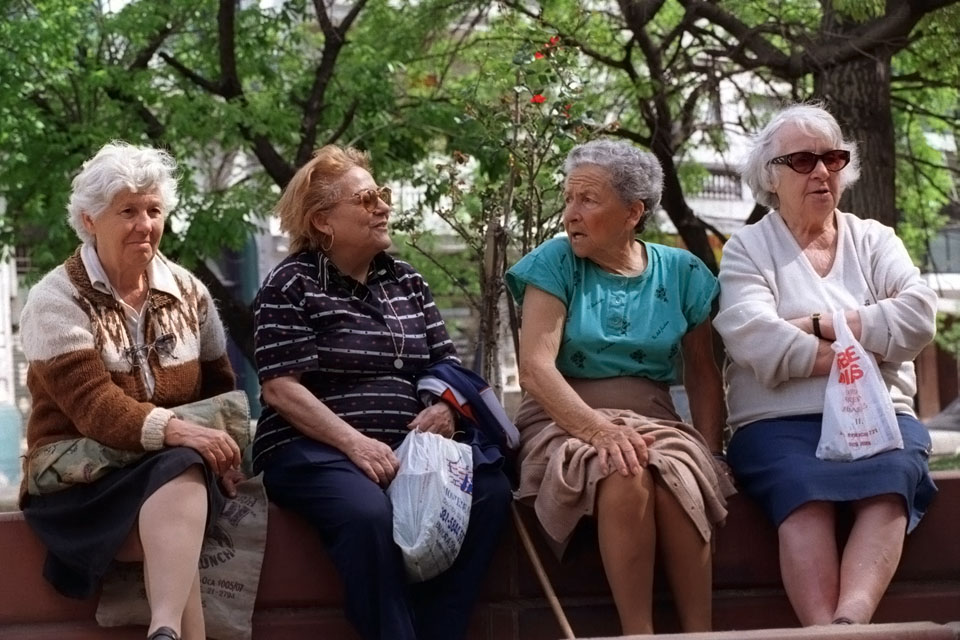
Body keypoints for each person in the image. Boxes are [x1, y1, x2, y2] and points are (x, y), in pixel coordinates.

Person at [251, 144, 512, 640]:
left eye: (382, 195)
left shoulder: (407, 281)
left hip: (408, 448)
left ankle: (438, 631)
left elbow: (446, 366)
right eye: (368, 198)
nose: (384, 207)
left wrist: (445, 410)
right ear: (324, 220)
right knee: (366, 510)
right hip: (312, 450)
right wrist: (354, 443)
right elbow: (282, 389)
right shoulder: (290, 285)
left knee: (491, 491)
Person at [714, 103, 938, 626]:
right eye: (802, 160)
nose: (821, 171)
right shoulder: (747, 248)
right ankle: (821, 633)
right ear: (770, 176)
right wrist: (869, 341)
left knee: (892, 480)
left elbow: (918, 317)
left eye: (832, 159)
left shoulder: (875, 238)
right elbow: (753, 337)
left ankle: (849, 627)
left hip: (880, 416)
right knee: (802, 492)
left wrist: (814, 324)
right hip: (777, 424)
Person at [505, 139, 734, 635]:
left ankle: (702, 632)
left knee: (677, 471)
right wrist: (600, 431)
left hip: (656, 418)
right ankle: (638, 634)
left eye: (588, 200)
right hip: (563, 417)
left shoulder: (683, 272)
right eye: (568, 199)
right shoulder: (554, 262)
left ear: (634, 211)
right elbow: (536, 369)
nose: (570, 214)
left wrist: (711, 451)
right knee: (624, 467)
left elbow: (701, 372)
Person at [19, 142, 244, 640]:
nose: (145, 224)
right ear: (89, 219)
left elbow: (218, 386)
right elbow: (96, 407)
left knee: (179, 471)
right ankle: (170, 630)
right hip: (79, 482)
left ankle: (164, 631)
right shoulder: (54, 300)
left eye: (154, 210)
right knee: (178, 471)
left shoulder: (189, 292)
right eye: (128, 211)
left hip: (174, 476)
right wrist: (183, 432)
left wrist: (222, 450)